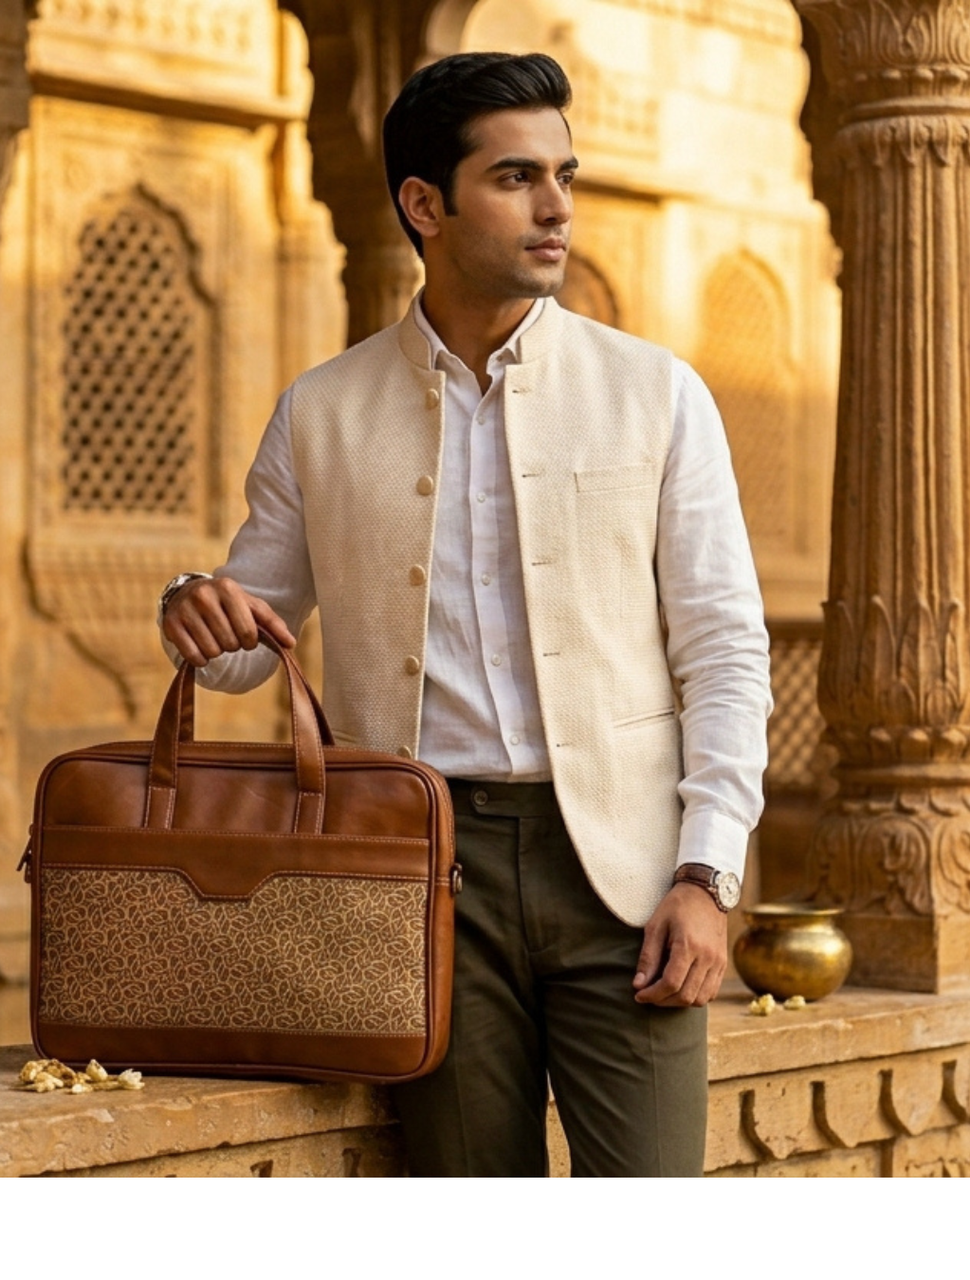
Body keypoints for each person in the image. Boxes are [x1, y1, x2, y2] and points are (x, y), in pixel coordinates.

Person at [159, 51, 771, 1177]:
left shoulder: (655, 393)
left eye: (564, 176)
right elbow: (249, 642)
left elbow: (724, 649)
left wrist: (705, 873)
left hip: (625, 878)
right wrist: (195, 607)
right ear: (424, 204)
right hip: (419, 872)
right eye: (516, 177)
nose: (556, 207)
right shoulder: (323, 410)